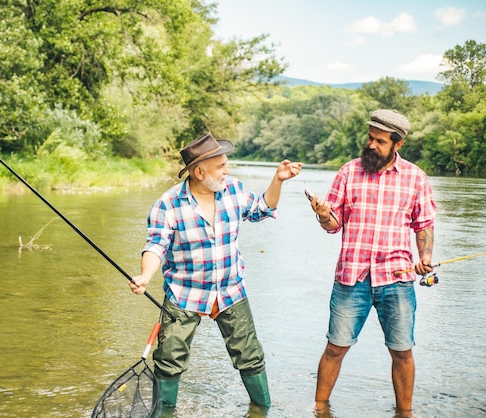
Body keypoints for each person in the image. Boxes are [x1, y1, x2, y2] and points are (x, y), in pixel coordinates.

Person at [129, 132, 302, 408]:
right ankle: (163, 412)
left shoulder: (233, 189)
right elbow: (156, 246)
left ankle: (262, 410)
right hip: (183, 292)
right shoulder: (168, 204)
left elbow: (262, 207)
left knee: (250, 355)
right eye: (221, 165)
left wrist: (278, 180)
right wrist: (145, 276)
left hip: (231, 289)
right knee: (168, 360)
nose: (227, 170)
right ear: (199, 171)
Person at [308, 109, 437, 416]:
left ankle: (404, 413)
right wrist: (323, 213)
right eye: (370, 137)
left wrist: (426, 257)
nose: (371, 145)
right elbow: (332, 224)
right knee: (335, 348)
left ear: (398, 144)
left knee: (402, 352)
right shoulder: (348, 172)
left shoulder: (416, 178)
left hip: (397, 278)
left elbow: (425, 224)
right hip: (351, 277)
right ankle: (319, 409)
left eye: (380, 141)